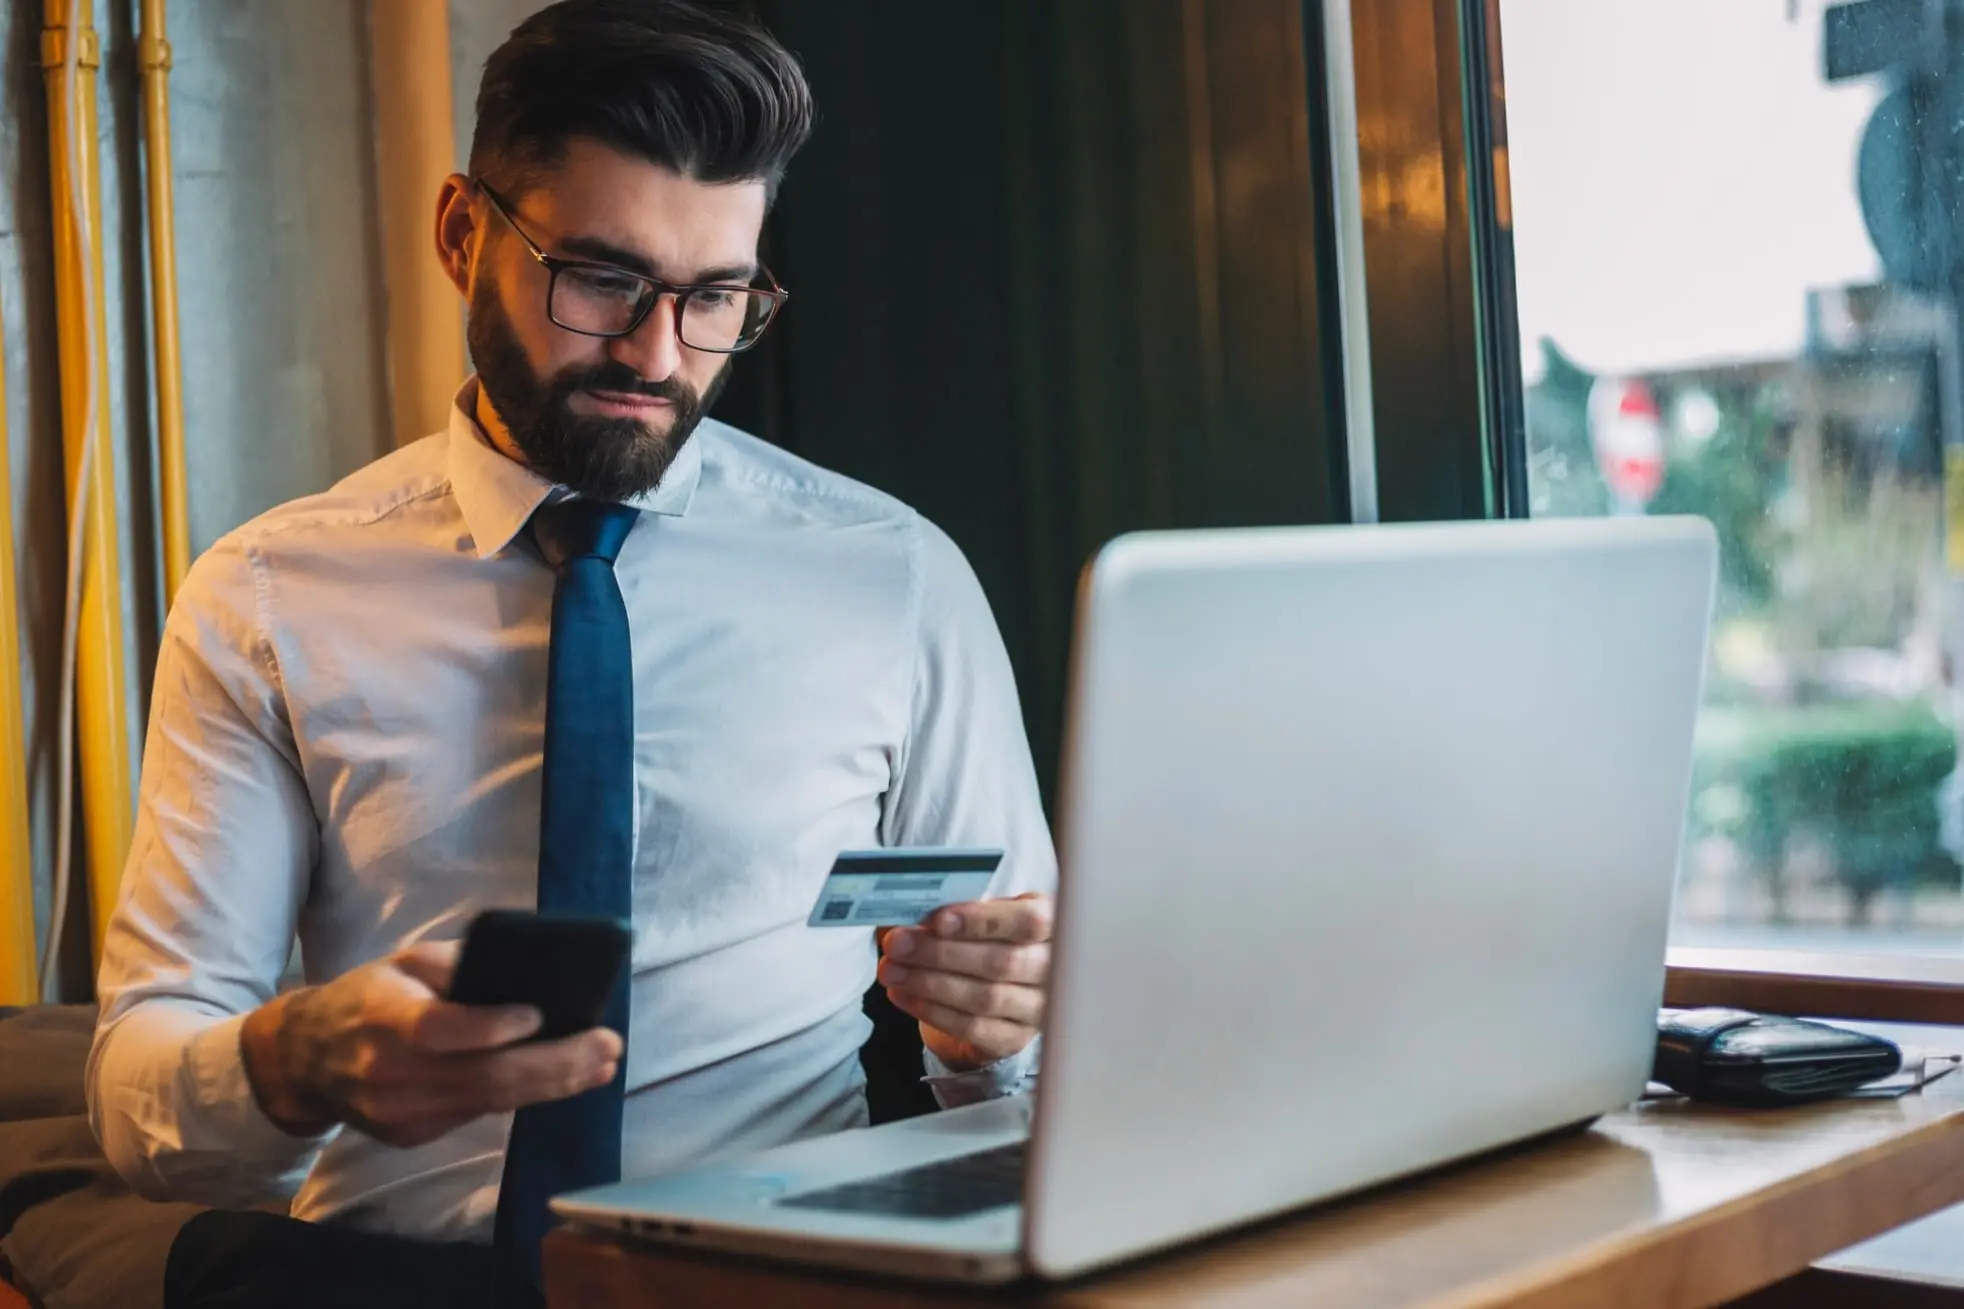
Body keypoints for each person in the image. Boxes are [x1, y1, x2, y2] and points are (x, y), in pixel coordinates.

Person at [84, 0, 1054, 1300]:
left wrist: (990, 1035)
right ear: (460, 234)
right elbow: (141, 1081)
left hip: (784, 1272)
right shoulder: (268, 598)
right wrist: (294, 1061)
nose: (658, 357)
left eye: (715, 297)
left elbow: (1025, 1054)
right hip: (400, 1275)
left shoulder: (894, 576)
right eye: (600, 279)